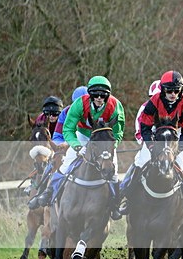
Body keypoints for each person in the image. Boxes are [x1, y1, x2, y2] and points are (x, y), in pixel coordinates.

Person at [28, 76, 125, 209]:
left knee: (113, 168)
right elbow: (67, 129)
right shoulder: (79, 104)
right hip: (83, 135)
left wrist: (111, 146)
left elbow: (118, 131)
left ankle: (115, 202)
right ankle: (48, 192)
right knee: (66, 162)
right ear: (89, 94)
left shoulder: (115, 106)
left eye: (103, 95)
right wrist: (77, 146)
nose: (99, 98)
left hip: (103, 138)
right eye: (95, 94)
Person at [114, 70, 183, 219]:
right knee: (140, 162)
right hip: (154, 137)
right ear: (163, 90)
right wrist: (151, 146)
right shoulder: (153, 102)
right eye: (169, 91)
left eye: (176, 91)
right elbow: (144, 128)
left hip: (176, 135)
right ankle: (127, 197)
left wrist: (179, 148)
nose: (173, 94)